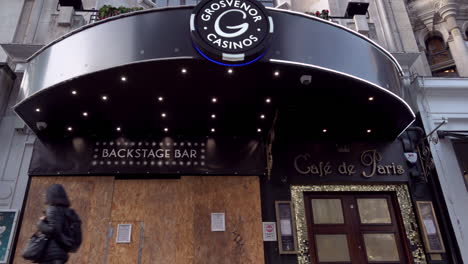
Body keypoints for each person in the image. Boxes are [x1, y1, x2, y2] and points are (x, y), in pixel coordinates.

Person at [36, 184, 71, 264]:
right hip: (61, 252)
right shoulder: (66, 211)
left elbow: (53, 230)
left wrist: (40, 223)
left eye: (46, 194)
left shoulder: (52, 209)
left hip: (51, 252)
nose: (44, 195)